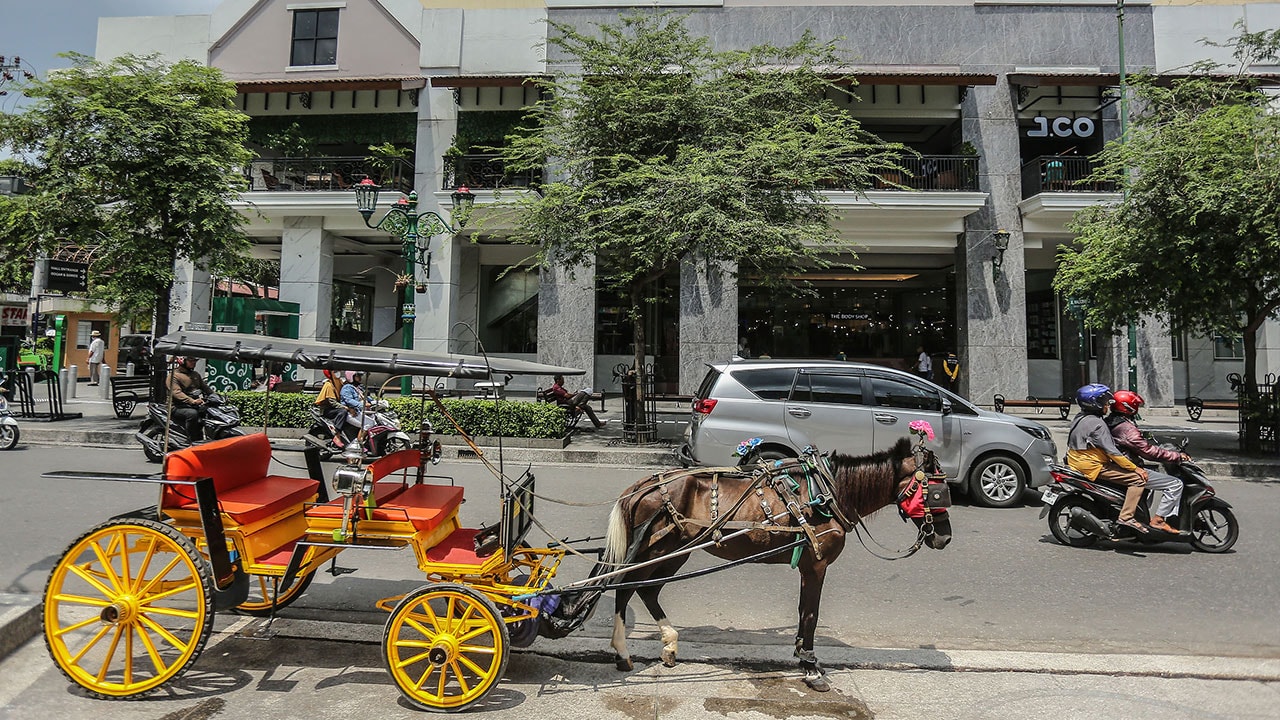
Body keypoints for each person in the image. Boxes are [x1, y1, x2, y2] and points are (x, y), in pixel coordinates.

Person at [1065, 383, 1149, 533]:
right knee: (1139, 479)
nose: (1107, 405)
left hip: (1075, 462)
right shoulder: (1098, 424)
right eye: (1104, 402)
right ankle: (1126, 517)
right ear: (1094, 403)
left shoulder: (1080, 417)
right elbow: (1113, 452)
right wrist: (1135, 468)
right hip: (1092, 466)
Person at [1106, 390, 1186, 534]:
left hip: (1121, 464)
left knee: (1152, 478)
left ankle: (1142, 517)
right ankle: (1159, 520)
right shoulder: (1126, 428)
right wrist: (1176, 456)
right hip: (1128, 467)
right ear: (1128, 407)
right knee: (1175, 484)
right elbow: (1147, 451)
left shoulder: (1114, 421)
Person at [167, 356, 213, 442]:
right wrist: (192, 401)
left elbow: (206, 388)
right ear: (182, 361)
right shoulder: (174, 376)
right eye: (191, 361)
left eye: (195, 361)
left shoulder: (195, 375)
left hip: (193, 405)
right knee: (192, 414)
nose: (194, 363)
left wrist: (217, 396)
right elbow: (176, 393)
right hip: (177, 406)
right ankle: (191, 439)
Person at [314, 369, 349, 443]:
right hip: (327, 410)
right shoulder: (329, 385)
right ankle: (337, 435)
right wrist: (345, 407)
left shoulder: (339, 382)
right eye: (335, 372)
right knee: (343, 412)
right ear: (330, 374)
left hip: (335, 408)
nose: (338, 373)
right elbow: (332, 402)